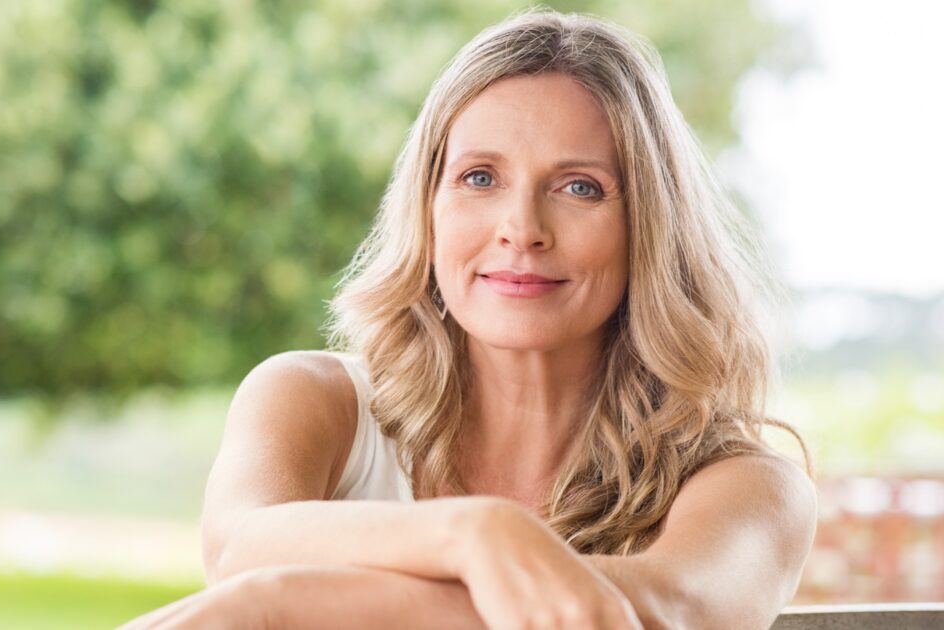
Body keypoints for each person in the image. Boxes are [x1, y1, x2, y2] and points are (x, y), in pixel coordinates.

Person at [122, 7, 816, 629]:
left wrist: (273, 605)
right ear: (427, 207)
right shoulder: (314, 400)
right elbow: (239, 546)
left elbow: (671, 612)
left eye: (580, 187)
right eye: (479, 177)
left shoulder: (751, 486)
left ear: (650, 227)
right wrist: (474, 534)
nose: (522, 229)